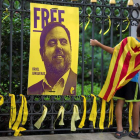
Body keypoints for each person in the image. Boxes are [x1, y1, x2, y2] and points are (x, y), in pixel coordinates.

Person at [90, 23, 140, 139]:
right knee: (136, 103)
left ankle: (119, 130)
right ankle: (135, 131)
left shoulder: (128, 41)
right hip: (133, 80)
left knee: (120, 102)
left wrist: (98, 44)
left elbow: (113, 51)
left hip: (120, 79)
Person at [28, 22, 77, 95]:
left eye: (63, 42)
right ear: (42, 53)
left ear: (71, 49)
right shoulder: (31, 91)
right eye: (52, 43)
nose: (59, 47)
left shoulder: (79, 84)